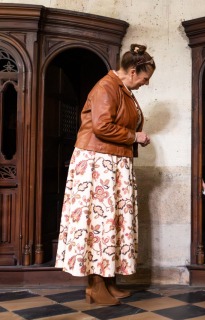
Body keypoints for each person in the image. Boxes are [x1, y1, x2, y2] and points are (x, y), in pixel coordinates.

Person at [55, 44, 156, 306]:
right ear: (133, 71)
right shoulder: (106, 87)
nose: (145, 84)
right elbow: (101, 127)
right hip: (97, 163)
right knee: (98, 223)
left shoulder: (121, 89)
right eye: (144, 79)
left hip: (113, 161)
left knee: (113, 221)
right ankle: (95, 285)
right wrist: (135, 136)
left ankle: (109, 280)